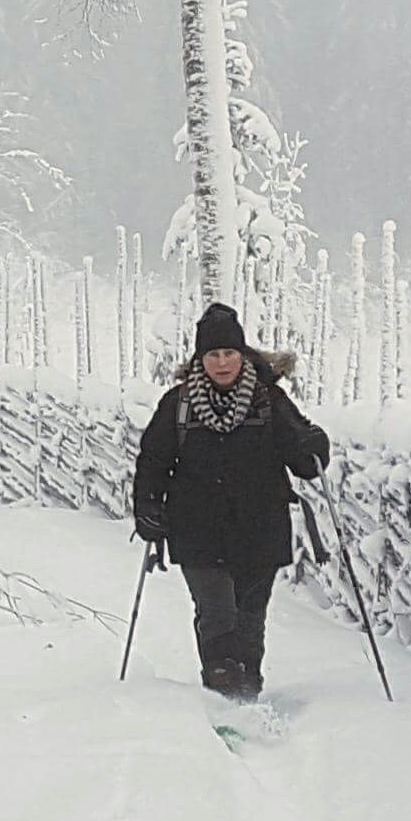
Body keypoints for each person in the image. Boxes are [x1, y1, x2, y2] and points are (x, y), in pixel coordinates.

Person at [129, 300, 330, 703]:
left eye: (229, 353)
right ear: (199, 358)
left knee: (250, 620)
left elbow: (305, 461)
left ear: (243, 355)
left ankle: (248, 693)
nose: (222, 362)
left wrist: (314, 446)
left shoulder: (268, 400)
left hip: (261, 528)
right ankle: (224, 696)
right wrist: (148, 507)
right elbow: (152, 460)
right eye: (213, 354)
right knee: (217, 614)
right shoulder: (179, 403)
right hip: (196, 529)